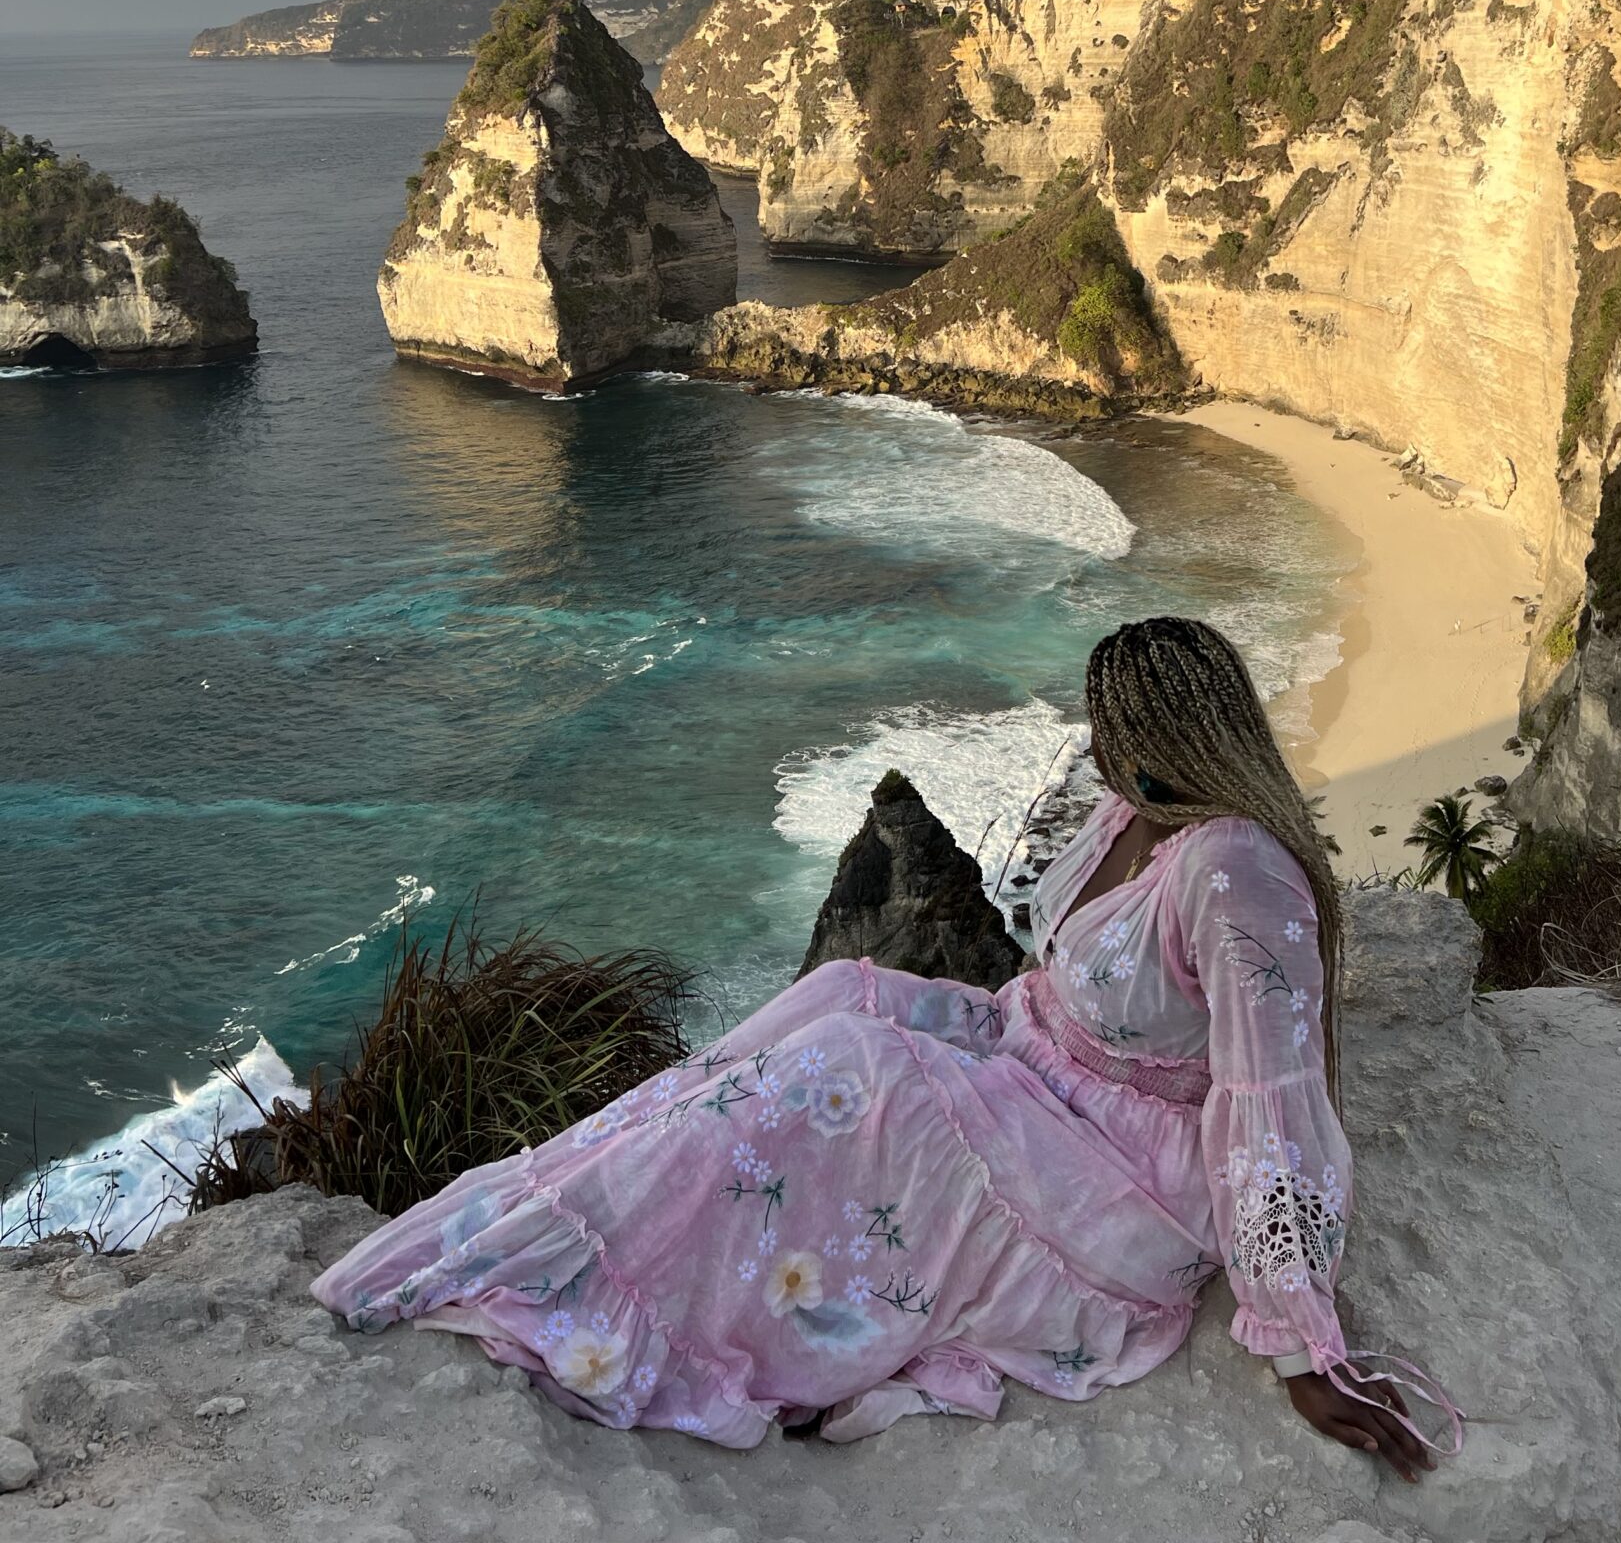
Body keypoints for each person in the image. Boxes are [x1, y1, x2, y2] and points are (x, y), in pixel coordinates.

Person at [312, 615, 1454, 1472]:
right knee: (842, 994)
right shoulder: (1133, 810)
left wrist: (1301, 1339)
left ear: (1163, 740)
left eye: (1110, 730)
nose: (1094, 748)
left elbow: (1269, 1102)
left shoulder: (1235, 872)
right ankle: (562, 1212)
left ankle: (635, 1304)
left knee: (861, 1073)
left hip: (1120, 1170)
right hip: (1034, 1056)